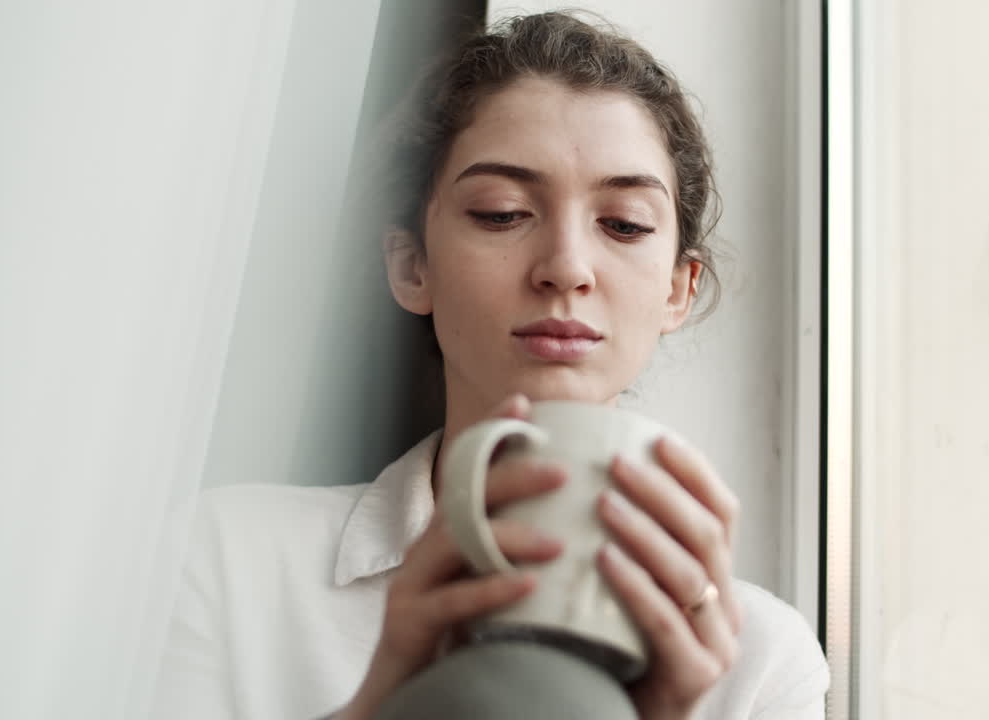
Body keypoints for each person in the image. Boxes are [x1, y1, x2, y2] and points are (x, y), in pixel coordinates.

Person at [151, 11, 828, 720]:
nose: (566, 267)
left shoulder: (759, 664)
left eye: (624, 224)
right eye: (502, 212)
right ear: (411, 265)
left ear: (677, 289)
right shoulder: (229, 566)